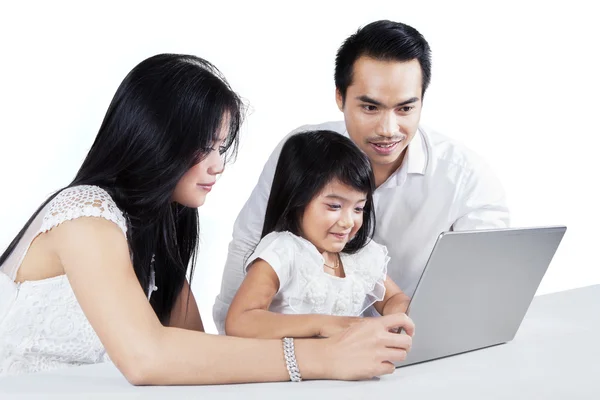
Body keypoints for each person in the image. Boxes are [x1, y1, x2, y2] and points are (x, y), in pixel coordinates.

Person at [0, 54, 414, 382]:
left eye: (221, 147)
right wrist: (321, 356)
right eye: (205, 146)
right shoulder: (85, 213)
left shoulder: (162, 222)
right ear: (154, 139)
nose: (217, 166)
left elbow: (193, 347)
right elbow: (147, 358)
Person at [214, 19, 510, 333]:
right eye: (370, 107)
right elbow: (247, 242)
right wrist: (229, 344)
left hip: (400, 350)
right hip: (284, 351)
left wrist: (412, 321)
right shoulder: (304, 153)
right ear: (340, 96)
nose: (388, 129)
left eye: (405, 109)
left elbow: (486, 286)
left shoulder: (467, 178)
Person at [225, 131, 410, 339]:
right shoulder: (283, 251)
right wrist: (324, 324)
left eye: (358, 208)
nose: (348, 221)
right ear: (297, 199)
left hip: (346, 368)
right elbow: (240, 320)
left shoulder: (360, 256)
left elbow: (394, 298)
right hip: (291, 369)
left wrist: (405, 314)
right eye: (334, 206)